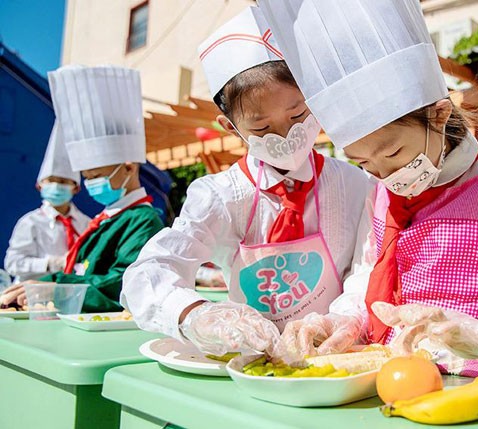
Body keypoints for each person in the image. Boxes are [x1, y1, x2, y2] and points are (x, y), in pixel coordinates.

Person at [260, 0, 478, 381]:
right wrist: (341, 320)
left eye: (393, 152)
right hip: (381, 382)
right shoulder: (379, 191)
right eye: (364, 163)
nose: (384, 173)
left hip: (465, 386)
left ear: (440, 115)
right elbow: (367, 277)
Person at [121, 6, 375, 358]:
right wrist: (193, 315)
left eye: (298, 115)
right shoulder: (220, 196)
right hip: (248, 359)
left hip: (334, 355)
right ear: (232, 128)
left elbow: (367, 267)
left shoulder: (354, 183)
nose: (286, 134)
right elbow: (151, 271)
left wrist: (343, 320)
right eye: (262, 128)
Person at [1, 65, 163, 312]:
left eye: (96, 175)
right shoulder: (107, 219)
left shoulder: (142, 220)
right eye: (86, 177)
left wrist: (55, 286)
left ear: (129, 168)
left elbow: (121, 282)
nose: (90, 185)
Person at [3, 122, 90, 283]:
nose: (56, 186)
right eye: (51, 181)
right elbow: (12, 263)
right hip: (30, 295)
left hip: (70, 293)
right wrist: (49, 263)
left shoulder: (86, 224)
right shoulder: (30, 222)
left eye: (63, 181)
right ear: (39, 185)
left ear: (76, 188)